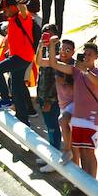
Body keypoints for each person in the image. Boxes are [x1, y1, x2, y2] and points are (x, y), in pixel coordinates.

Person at [48, 39, 98, 178]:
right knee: (81, 151)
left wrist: (86, 71)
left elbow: (97, 82)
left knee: (89, 152)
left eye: (90, 54)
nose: (86, 56)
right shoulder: (76, 70)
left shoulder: (95, 72)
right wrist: (52, 46)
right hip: (78, 118)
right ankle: (83, 185)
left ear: (96, 56)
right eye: (85, 53)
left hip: (92, 120)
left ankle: (91, 188)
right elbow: (54, 63)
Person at [0, 0, 36, 125]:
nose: (4, 12)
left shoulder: (22, 17)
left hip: (21, 58)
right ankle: (23, 120)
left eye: (5, 9)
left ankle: (5, 100)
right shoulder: (11, 19)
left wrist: (21, 3)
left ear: (12, 7)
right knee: (16, 89)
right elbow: (0, 2)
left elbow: (22, 9)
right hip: (20, 57)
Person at [37, 37, 75, 166]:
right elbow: (40, 62)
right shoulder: (56, 60)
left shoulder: (73, 67)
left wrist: (48, 100)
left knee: (60, 124)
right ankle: (54, 157)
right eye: (62, 49)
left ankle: (57, 157)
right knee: (57, 128)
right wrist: (41, 46)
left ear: (73, 52)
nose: (64, 52)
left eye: (68, 50)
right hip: (61, 104)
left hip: (71, 105)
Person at [33, 26, 63, 168]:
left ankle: (54, 159)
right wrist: (41, 44)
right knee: (50, 126)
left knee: (53, 128)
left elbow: (55, 79)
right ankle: (50, 155)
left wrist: (50, 100)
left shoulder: (58, 52)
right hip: (43, 95)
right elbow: (40, 67)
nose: (46, 37)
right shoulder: (44, 48)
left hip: (52, 99)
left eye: (50, 35)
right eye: (45, 34)